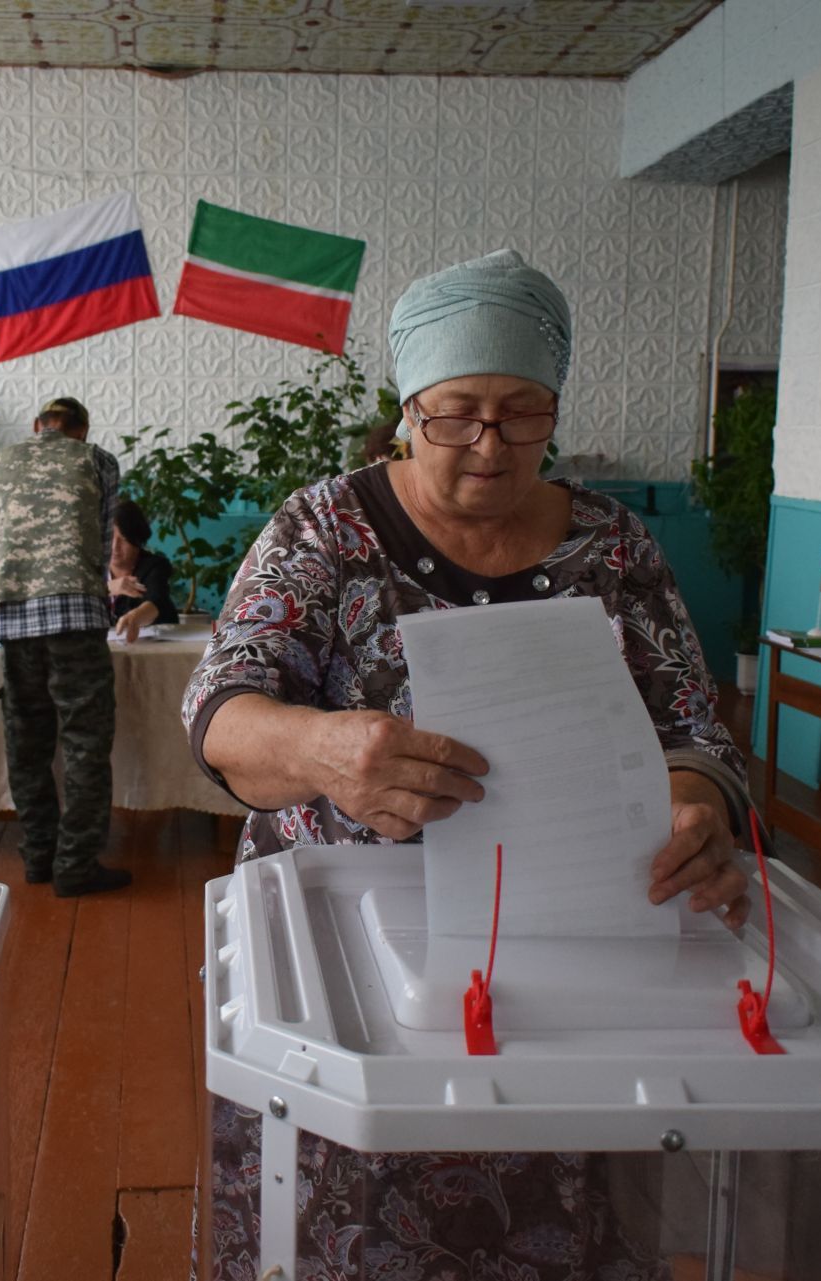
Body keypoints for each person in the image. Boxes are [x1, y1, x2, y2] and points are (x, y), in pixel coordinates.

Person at [182, 249, 751, 1277]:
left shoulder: (614, 549)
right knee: (340, 1216)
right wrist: (321, 747)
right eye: (456, 414)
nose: (489, 445)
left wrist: (693, 806)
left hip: (561, 947)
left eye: (523, 413)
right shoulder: (324, 529)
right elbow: (219, 714)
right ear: (407, 412)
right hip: (345, 958)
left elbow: (695, 729)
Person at [0, 396, 131, 897]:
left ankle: (38, 857)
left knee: (28, 745)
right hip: (76, 617)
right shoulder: (97, 460)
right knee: (85, 744)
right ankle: (77, 864)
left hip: (14, 618)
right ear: (81, 430)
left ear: (37, 426)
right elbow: (103, 537)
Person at [107, 499, 179, 642]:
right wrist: (107, 588)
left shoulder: (155, 565)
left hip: (152, 644)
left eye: (124, 539)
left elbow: (157, 600)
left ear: (137, 539)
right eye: (109, 538)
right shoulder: (91, 568)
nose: (115, 547)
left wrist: (136, 617)